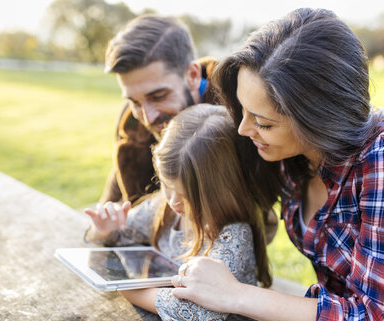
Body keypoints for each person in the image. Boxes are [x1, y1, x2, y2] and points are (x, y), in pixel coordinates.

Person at [169, 8, 384, 321]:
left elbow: (379, 320)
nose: (244, 129)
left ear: (317, 121)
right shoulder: (289, 158)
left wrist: (236, 294)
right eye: (243, 110)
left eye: (262, 122)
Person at [85, 104, 271, 321]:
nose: (173, 201)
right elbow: (123, 235)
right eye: (165, 185)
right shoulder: (164, 208)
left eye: (185, 195)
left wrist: (125, 288)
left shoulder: (233, 235)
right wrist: (106, 229)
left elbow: (199, 312)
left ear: (221, 189)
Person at [99, 14, 279, 242]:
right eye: (134, 101)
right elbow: (116, 193)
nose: (147, 116)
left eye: (158, 96)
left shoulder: (239, 117)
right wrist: (105, 220)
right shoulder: (132, 122)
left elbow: (262, 211)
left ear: (193, 75)